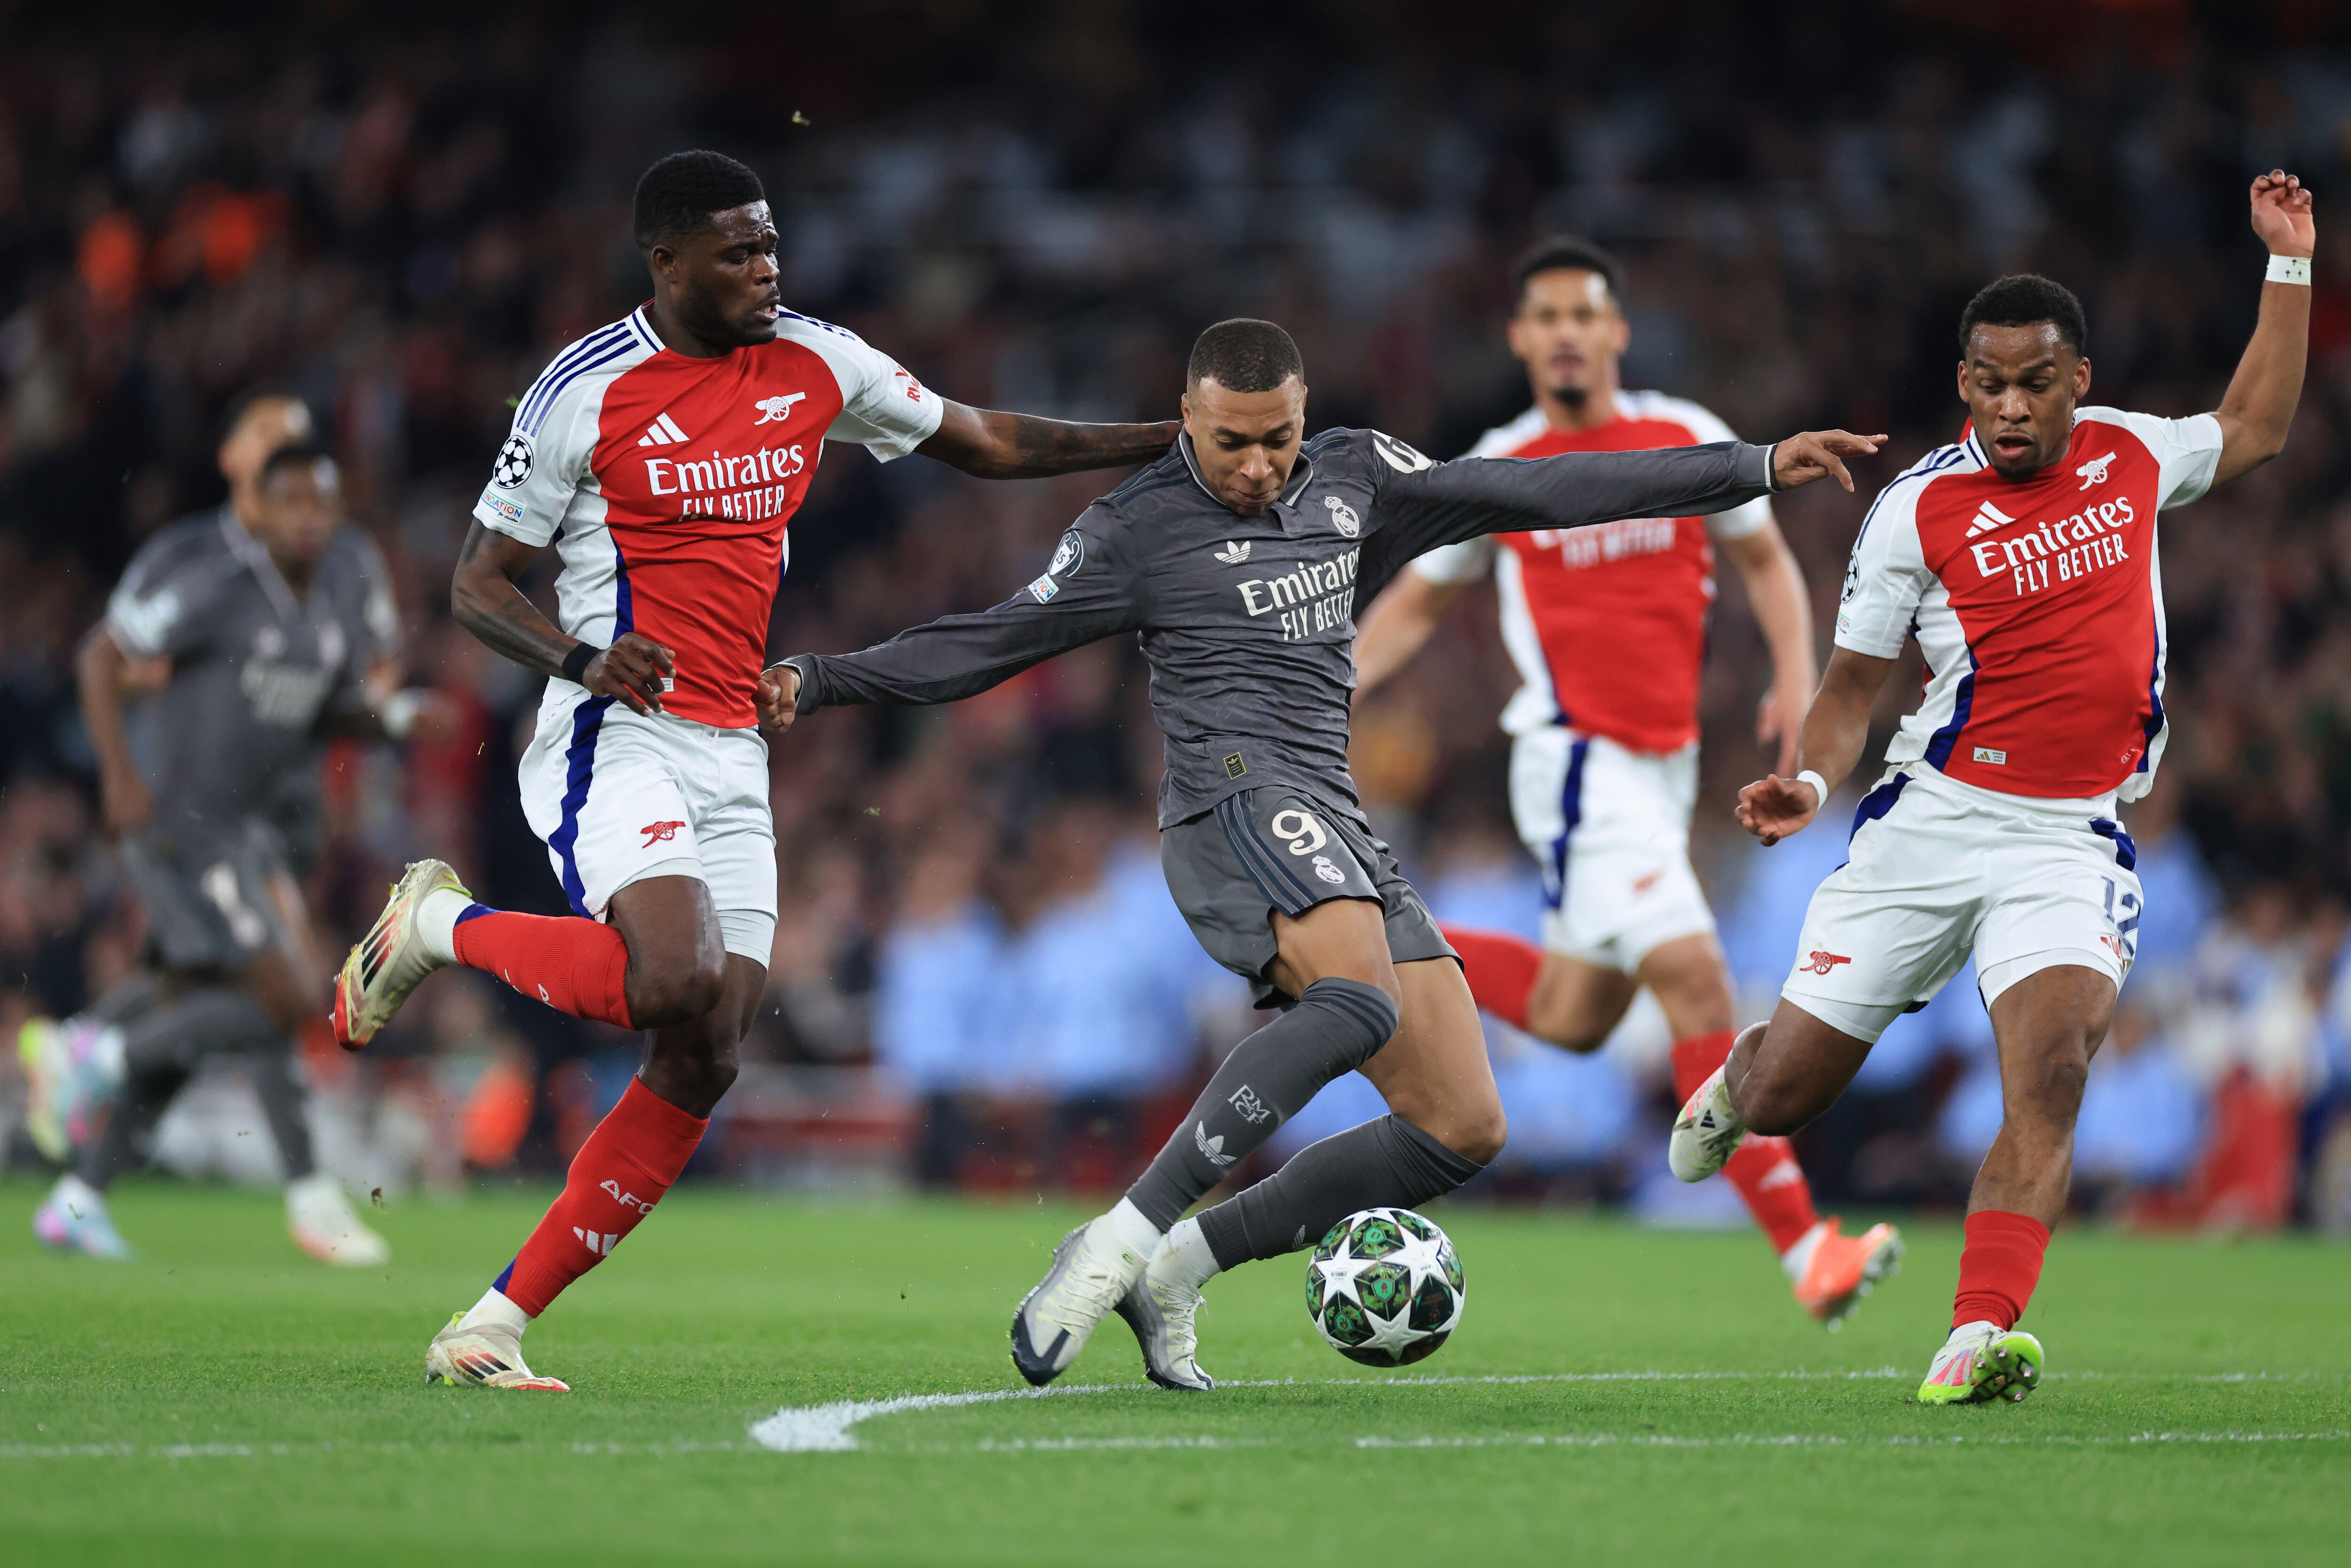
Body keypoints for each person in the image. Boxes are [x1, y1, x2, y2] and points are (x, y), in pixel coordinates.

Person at [768, 315, 1880, 1391]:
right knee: (1356, 1002)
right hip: (1228, 809)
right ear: (1187, 420)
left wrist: (1752, 464)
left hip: (1331, 820)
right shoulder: (1133, 529)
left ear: (1305, 418)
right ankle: (1112, 1242)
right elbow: (985, 643)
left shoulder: (1357, 480)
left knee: (1461, 1125)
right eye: (1229, 441)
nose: (1257, 465)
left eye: (1277, 438)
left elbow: (1537, 491)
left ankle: (1178, 1268)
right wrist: (821, 678)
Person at [329, 150, 1188, 1393]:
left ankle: (493, 1323)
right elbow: (474, 583)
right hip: (611, 731)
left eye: (773, 245)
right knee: (666, 975)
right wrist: (581, 653)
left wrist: (1170, 440)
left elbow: (987, 439)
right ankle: (439, 924)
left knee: (707, 1049)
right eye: (738, 252)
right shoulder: (588, 388)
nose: (767, 269)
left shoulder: (815, 361)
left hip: (735, 745)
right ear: (666, 262)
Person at [1672, 172, 2314, 1405]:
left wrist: (2288, 263)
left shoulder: (2132, 454)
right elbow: (1855, 686)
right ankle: (1745, 1074)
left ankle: (1976, 1334)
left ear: (2078, 379)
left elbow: (2259, 425)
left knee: (2056, 1070)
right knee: (1794, 1096)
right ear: (1962, 385)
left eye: (2033, 382)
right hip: (1933, 825)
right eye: (1986, 384)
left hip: (2069, 835)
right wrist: (1809, 778)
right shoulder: (1918, 511)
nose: (2008, 406)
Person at [1351, 237, 1899, 1324]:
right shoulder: (1501, 462)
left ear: (1615, 332)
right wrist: (1332, 685)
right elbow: (1419, 596)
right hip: (1574, 761)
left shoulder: (1683, 435)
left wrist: (1796, 681)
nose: (1563, 333)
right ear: (1519, 339)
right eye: (1543, 316)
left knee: (1574, 1012)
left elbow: (1761, 558)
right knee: (1697, 980)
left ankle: (1379, 955)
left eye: (1581, 314)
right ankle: (1807, 1253)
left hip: (1661, 771)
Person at [30, 428, 430, 1265]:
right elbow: (102, 653)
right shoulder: (217, 583)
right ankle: (99, 1049)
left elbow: (326, 713)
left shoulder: (326, 599)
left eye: (321, 502)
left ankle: (78, 1191)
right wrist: (118, 778)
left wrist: (395, 718)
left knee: (218, 1010)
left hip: (244, 834)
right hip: (183, 825)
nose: (307, 518)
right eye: (289, 501)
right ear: (259, 509)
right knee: (282, 996)